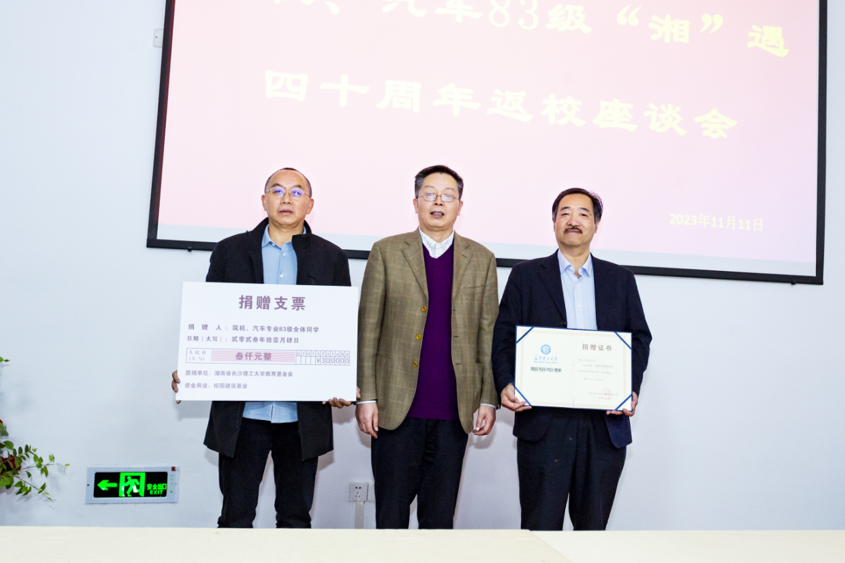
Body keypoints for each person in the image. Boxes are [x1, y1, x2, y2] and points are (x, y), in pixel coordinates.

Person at [171, 167, 353, 528]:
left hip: (301, 415)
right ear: (263, 200)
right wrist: (195, 366)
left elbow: (340, 330)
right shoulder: (230, 251)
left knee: (295, 518)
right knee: (235, 517)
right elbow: (211, 318)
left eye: (297, 192)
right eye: (277, 190)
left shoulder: (331, 257)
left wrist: (341, 379)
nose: (286, 198)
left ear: (310, 204)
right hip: (244, 413)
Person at [492, 187, 651, 531]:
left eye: (583, 213)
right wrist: (505, 382)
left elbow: (639, 338)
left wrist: (629, 387)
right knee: (539, 529)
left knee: (592, 532)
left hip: (603, 425)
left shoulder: (620, 279)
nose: (573, 220)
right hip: (544, 423)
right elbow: (503, 337)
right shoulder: (526, 276)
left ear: (596, 224)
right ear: (553, 223)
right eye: (564, 213)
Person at [356, 164, 499, 529]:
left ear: (460, 206)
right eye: (429, 194)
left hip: (454, 410)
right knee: (390, 516)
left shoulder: (482, 259)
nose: (438, 202)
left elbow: (488, 333)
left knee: (439, 520)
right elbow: (368, 329)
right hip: (395, 409)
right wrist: (366, 396)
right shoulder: (387, 251)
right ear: (415, 202)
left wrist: (488, 398)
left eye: (448, 196)